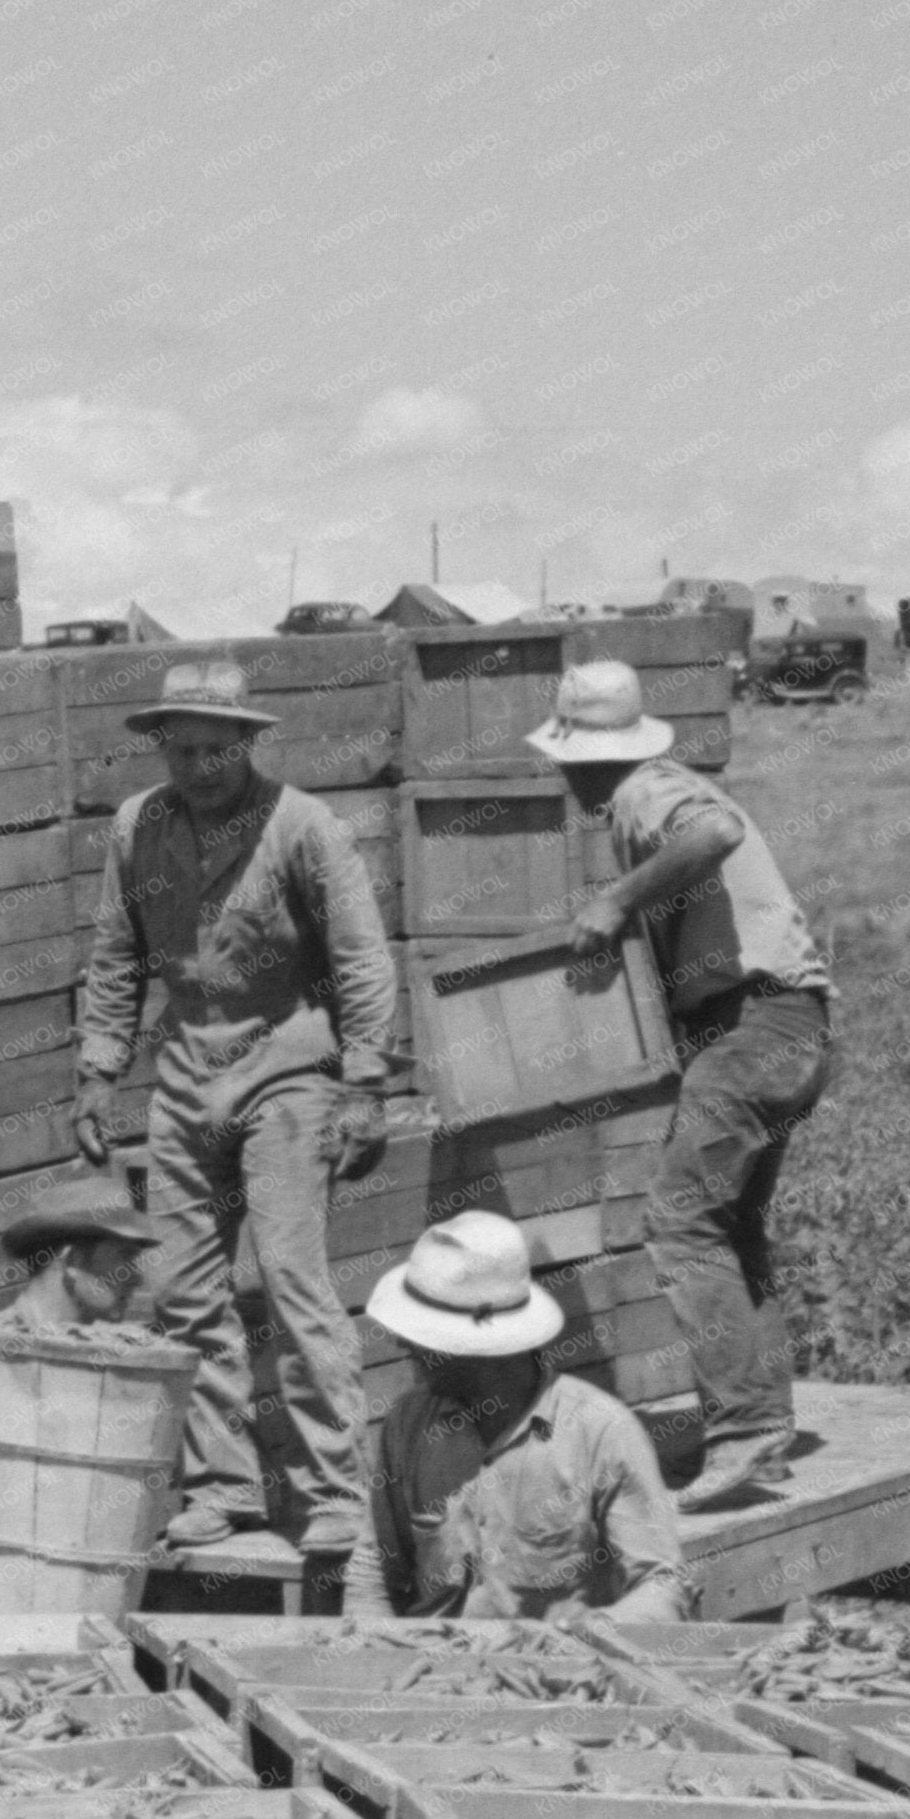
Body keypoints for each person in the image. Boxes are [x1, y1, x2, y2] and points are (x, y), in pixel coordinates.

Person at [73, 657, 401, 1558]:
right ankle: (224, 1485)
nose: (198, 767)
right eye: (181, 749)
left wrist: (366, 1085)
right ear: (161, 746)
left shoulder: (304, 827)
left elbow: (364, 959)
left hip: (288, 1067)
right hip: (185, 1071)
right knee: (182, 1290)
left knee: (293, 1282)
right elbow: (114, 956)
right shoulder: (137, 828)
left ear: (248, 743)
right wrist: (100, 1068)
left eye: (216, 750)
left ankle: (333, 1491)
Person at [531, 660, 836, 1510]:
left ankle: (742, 1432)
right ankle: (761, 1428)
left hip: (755, 1029)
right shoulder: (653, 788)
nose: (561, 777)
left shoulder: (644, 793)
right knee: (731, 1226)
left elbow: (714, 835)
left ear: (583, 757)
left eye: (564, 760)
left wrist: (616, 901)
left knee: (676, 1222)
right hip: (787, 1026)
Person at [346, 1215, 685, 1623]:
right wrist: (368, 1651)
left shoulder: (600, 1431)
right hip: (436, 1669)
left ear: (485, 1348)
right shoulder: (408, 1424)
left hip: (554, 1675)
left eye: (423, 1334)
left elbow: (662, 1586)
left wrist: (600, 1629)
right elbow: (375, 1573)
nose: (402, 1344)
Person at [0, 1182, 163, 1612]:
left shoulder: (96, 1354)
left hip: (87, 1584)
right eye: (123, 1258)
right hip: (9, 1593)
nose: (136, 1277)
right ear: (70, 1260)